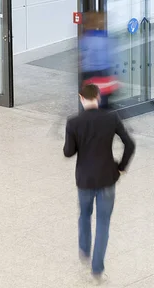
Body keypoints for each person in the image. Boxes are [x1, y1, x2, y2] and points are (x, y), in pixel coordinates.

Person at [63, 84, 135, 283]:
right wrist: (121, 167)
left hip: (84, 179)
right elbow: (130, 143)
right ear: (98, 96)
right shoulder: (111, 118)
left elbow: (68, 152)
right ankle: (97, 268)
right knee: (103, 223)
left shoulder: (73, 122)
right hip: (106, 178)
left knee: (84, 215)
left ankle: (84, 250)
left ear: (81, 98)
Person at [80, 12, 118, 109]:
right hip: (103, 73)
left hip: (90, 74)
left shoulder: (85, 39)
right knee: (103, 101)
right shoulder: (106, 38)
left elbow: (83, 58)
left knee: (93, 101)